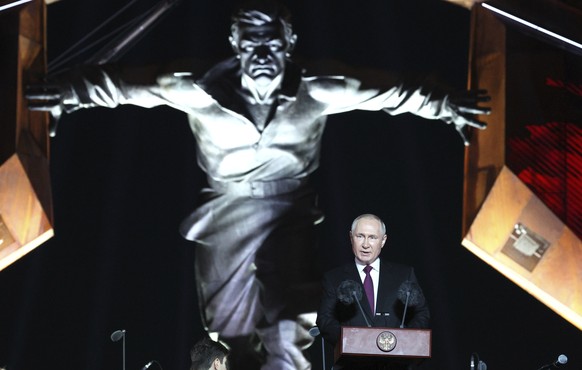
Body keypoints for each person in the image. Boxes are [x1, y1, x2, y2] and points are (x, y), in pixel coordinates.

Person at [26, 1, 488, 369]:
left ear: (289, 43)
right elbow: (124, 86)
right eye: (251, 44)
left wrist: (448, 104)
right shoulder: (196, 88)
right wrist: (67, 95)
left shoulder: (318, 87)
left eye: (271, 43)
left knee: (291, 323)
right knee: (231, 339)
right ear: (235, 43)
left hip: (289, 212)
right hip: (225, 216)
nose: (261, 55)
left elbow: (394, 93)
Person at [316, 214, 430, 368]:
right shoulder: (334, 278)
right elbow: (325, 319)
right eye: (360, 236)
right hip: (351, 365)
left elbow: (421, 313)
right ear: (351, 238)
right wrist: (349, 340)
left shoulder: (404, 274)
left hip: (395, 365)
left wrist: (404, 340)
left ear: (383, 241)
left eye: (372, 238)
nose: (365, 244)